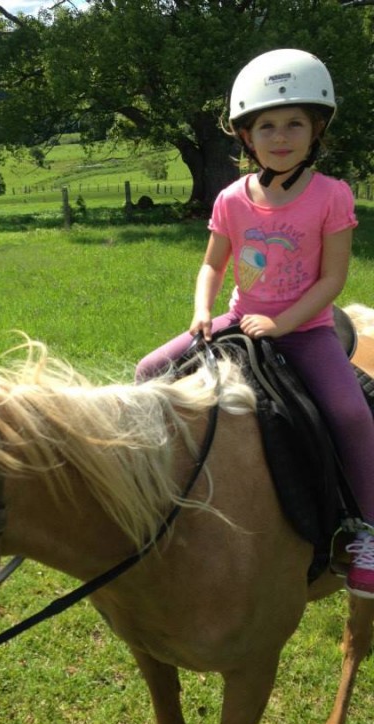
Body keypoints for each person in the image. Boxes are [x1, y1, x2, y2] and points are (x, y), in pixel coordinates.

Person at [135, 48, 374, 598]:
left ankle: (366, 527)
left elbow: (332, 280)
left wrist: (284, 322)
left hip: (307, 328)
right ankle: (152, 489)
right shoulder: (230, 199)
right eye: (267, 125)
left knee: (350, 411)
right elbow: (211, 264)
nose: (281, 136)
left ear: (317, 130)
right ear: (247, 136)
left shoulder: (331, 196)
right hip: (239, 317)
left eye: (296, 123)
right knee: (148, 370)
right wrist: (202, 311)